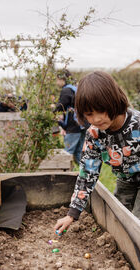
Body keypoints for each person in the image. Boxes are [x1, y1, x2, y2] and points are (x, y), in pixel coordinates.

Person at [54, 71, 140, 234]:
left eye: (101, 110)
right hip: (125, 181)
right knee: (119, 220)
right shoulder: (94, 134)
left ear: (113, 101)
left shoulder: (137, 124)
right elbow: (87, 173)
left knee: (136, 223)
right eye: (89, 114)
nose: (97, 119)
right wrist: (72, 214)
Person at [54, 69, 87, 164]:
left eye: (57, 79)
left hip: (73, 125)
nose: (56, 82)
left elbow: (61, 105)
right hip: (82, 124)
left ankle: (64, 173)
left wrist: (52, 112)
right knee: (78, 152)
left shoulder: (66, 90)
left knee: (68, 152)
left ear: (62, 79)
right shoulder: (75, 88)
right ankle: (85, 172)